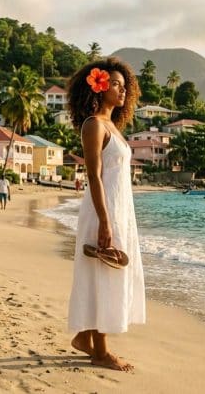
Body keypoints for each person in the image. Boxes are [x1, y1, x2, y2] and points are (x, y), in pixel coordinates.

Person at [66, 57, 145, 371]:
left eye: (124, 86)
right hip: (104, 210)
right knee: (103, 275)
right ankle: (100, 350)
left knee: (108, 271)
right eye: (115, 84)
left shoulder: (113, 126)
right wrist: (104, 220)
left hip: (119, 210)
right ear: (98, 86)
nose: (122, 90)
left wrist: (115, 218)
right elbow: (94, 176)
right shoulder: (94, 125)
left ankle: (85, 337)